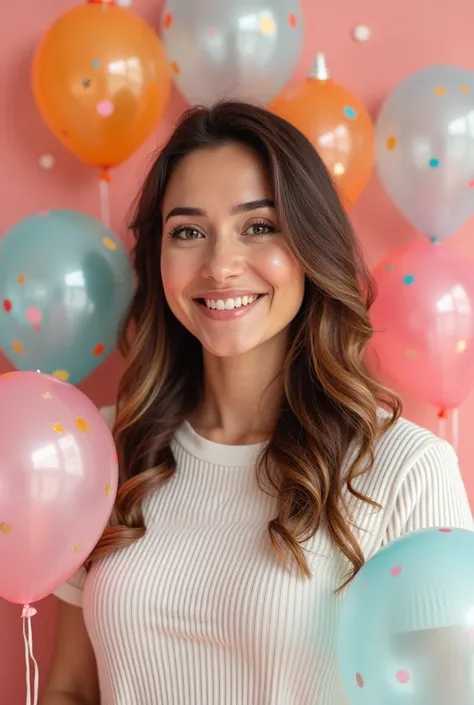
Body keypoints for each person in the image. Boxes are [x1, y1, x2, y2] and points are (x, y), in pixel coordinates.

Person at [41, 101, 473, 705]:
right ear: (157, 258)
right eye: (188, 232)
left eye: (259, 226)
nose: (220, 266)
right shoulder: (105, 453)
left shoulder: (406, 469)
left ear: (309, 245)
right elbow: (72, 688)